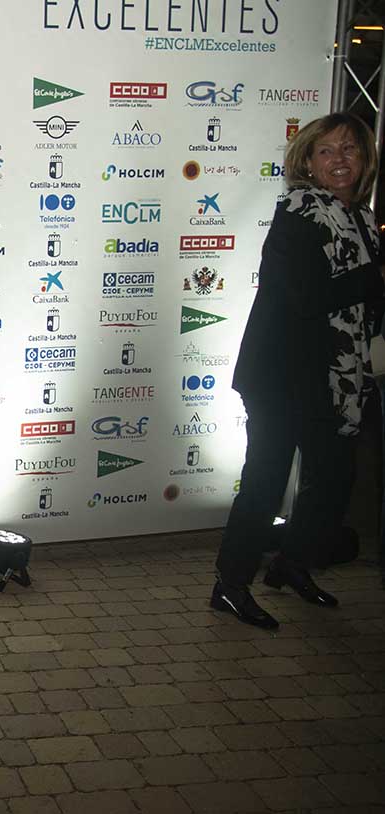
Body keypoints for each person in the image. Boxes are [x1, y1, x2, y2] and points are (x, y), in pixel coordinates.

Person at [213, 112, 383, 629]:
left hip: (337, 376)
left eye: (349, 149)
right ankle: (230, 584)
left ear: (365, 159)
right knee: (265, 481)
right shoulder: (299, 211)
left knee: (333, 478)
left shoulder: (362, 217)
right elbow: (306, 297)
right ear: (307, 161)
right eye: (326, 150)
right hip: (281, 373)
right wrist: (373, 276)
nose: (339, 160)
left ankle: (291, 564)